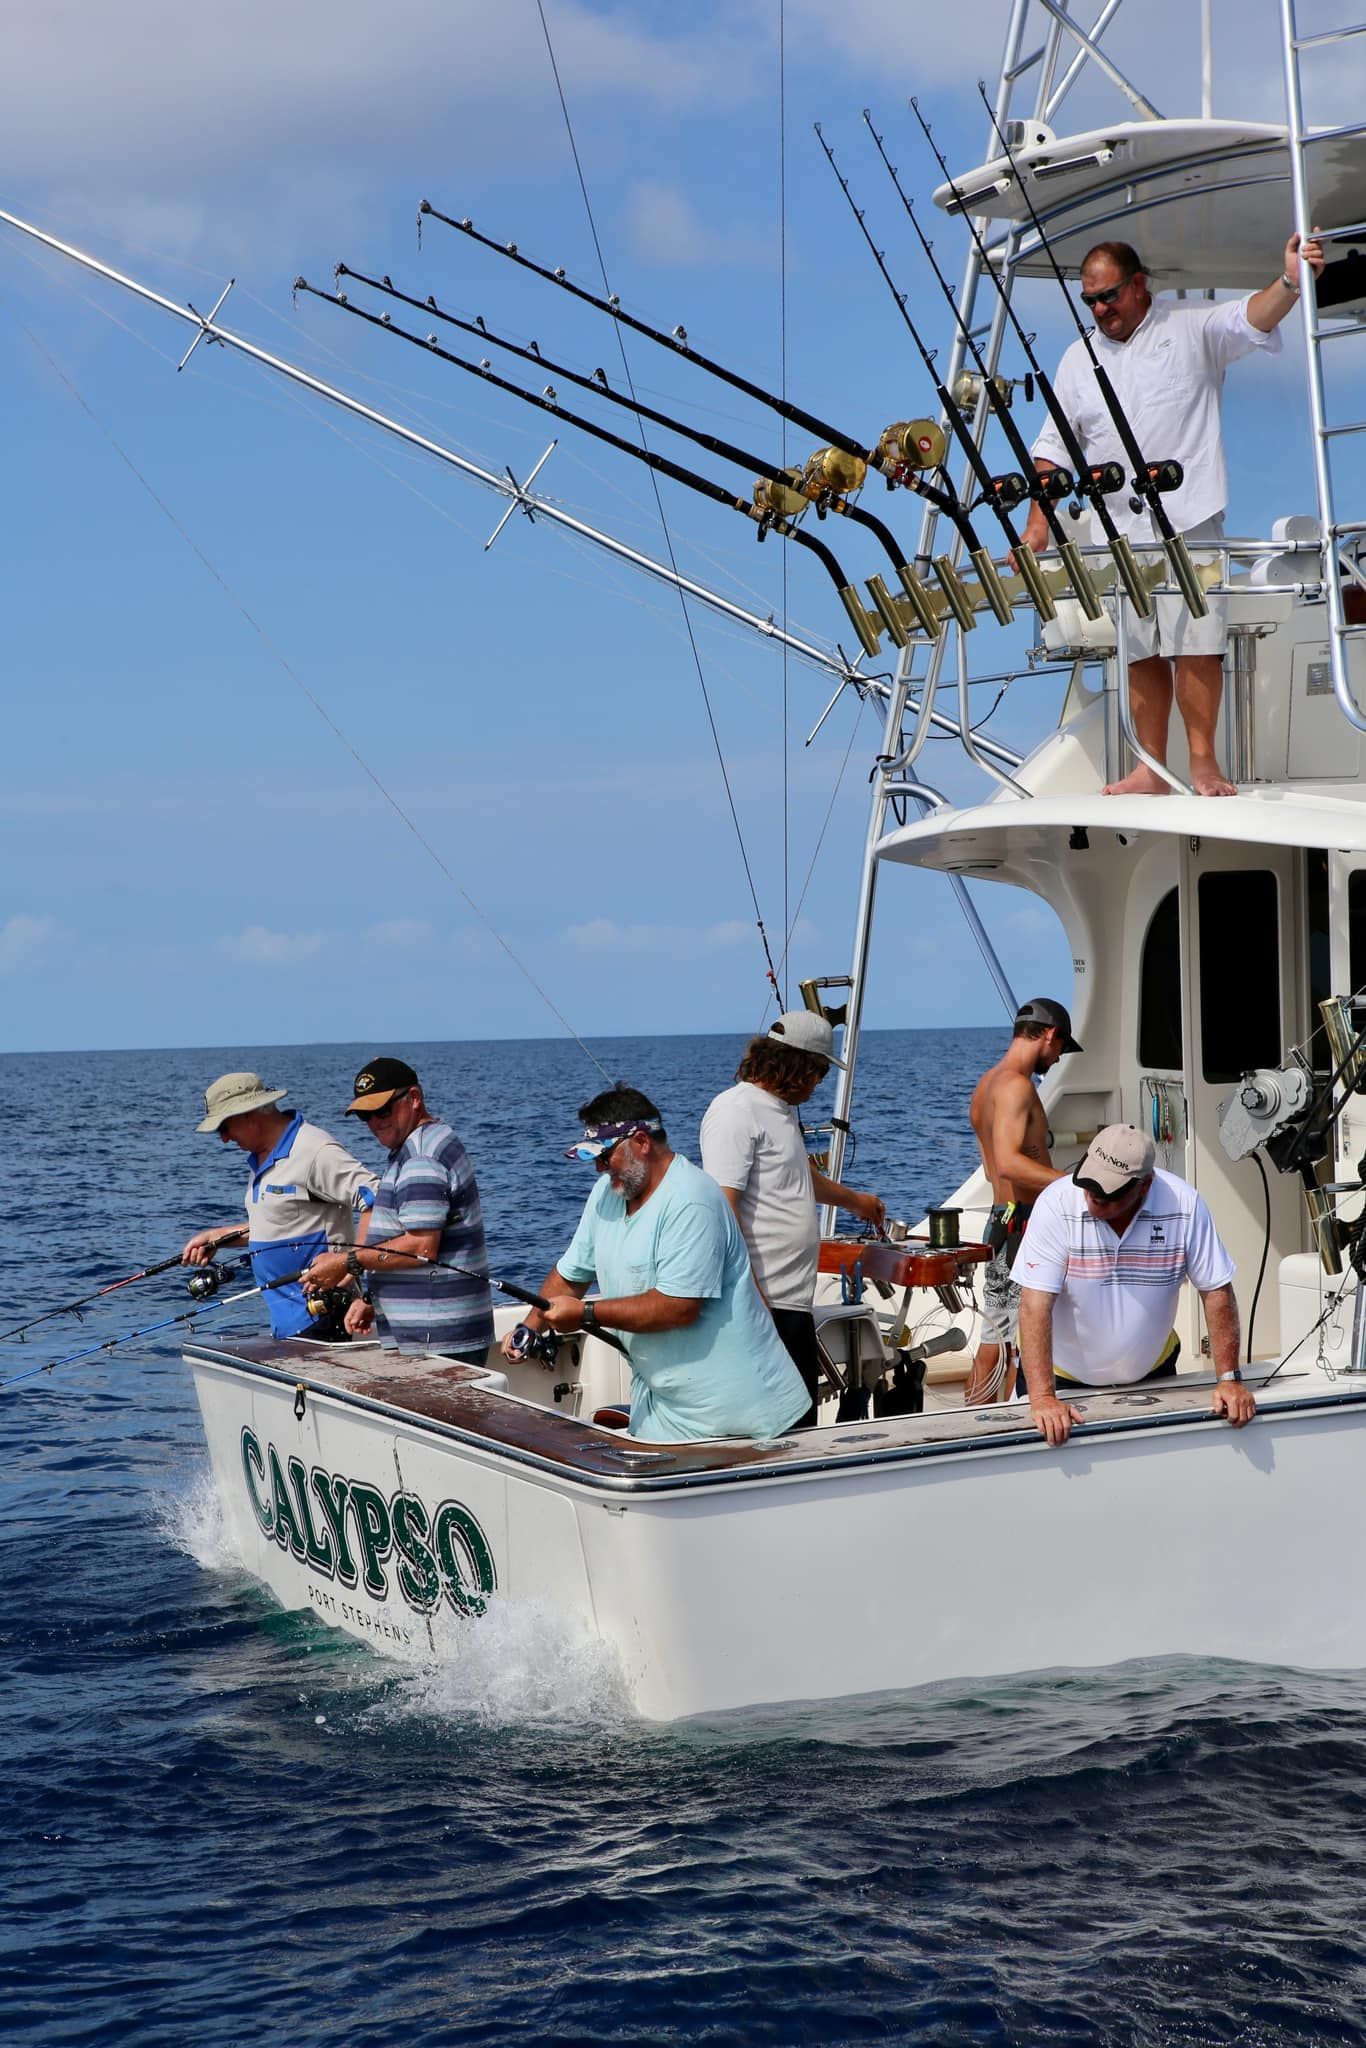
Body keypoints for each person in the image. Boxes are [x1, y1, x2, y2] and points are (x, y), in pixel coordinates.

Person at [1017, 230, 1324, 798]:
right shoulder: (1075, 360)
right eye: (1090, 301)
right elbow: (1053, 449)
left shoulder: (1190, 326)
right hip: (1124, 531)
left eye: (1108, 296)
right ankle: (1150, 768)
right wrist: (1038, 524)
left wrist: (1289, 279)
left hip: (1192, 517)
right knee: (1141, 651)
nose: (1100, 309)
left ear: (1138, 285)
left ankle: (1203, 762)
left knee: (1197, 644)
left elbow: (1251, 319)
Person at [506, 1084, 810, 1443]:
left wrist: (585, 1314)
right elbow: (570, 1276)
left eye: (606, 1156)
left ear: (641, 1142)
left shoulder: (691, 1200)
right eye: (595, 1160)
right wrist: (530, 1326)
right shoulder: (607, 1194)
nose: (600, 1169)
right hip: (665, 1409)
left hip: (741, 1418)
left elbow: (678, 1307)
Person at [1015, 1123, 1256, 1446]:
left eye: (1108, 1194)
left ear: (1145, 1185)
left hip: (1154, 1376)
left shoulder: (1184, 1204)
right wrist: (1043, 1397)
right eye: (1088, 1187)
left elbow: (1215, 1290)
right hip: (1061, 1381)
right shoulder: (1056, 1204)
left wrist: (1228, 1379)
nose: (1093, 1200)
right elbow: (1034, 1304)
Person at [700, 1010, 885, 1427]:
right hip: (764, 1305)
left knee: (801, 1423)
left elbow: (801, 1176)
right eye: (818, 1070)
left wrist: (858, 1201)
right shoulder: (735, 1111)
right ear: (795, 1063)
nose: (820, 1082)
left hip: (792, 1303)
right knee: (782, 1431)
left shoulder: (779, 1112)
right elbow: (721, 1209)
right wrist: (752, 1299)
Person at [302, 1058, 494, 1363]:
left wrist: (346, 1262)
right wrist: (371, 1299)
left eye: (383, 1110)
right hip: (434, 1335)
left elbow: (421, 1247)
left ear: (414, 1098)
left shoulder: (421, 1157)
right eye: (366, 1115)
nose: (375, 1122)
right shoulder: (429, 1141)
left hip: (438, 1340)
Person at [182, 1071, 377, 1342]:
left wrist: (350, 1265)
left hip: (326, 1321)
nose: (224, 1138)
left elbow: (377, 1200)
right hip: (289, 1329)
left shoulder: (314, 1150)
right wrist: (218, 1238)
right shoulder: (261, 1158)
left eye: (223, 1127)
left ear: (248, 1113)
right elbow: (283, 1224)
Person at [966, 998, 1079, 1404]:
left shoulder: (987, 1084)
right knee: (1018, 1336)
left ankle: (974, 1427)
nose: (1059, 1056)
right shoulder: (1017, 1086)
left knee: (995, 1335)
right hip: (1025, 1227)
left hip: (1003, 1219)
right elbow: (1010, 1163)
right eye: (1062, 1047)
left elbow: (991, 1168)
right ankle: (1014, 1426)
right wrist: (1073, 1184)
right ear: (1050, 1034)